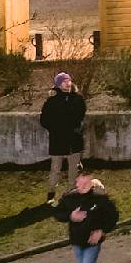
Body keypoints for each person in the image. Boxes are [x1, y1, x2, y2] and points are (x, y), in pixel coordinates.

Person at [40, 73, 89, 202]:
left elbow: (81, 116)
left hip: (74, 140)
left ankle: (71, 195)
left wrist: (77, 128)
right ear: (58, 84)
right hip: (58, 141)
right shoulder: (51, 101)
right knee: (55, 169)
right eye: (64, 81)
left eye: (69, 81)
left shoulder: (78, 99)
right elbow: (44, 120)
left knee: (73, 171)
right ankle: (51, 194)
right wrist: (56, 129)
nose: (67, 83)